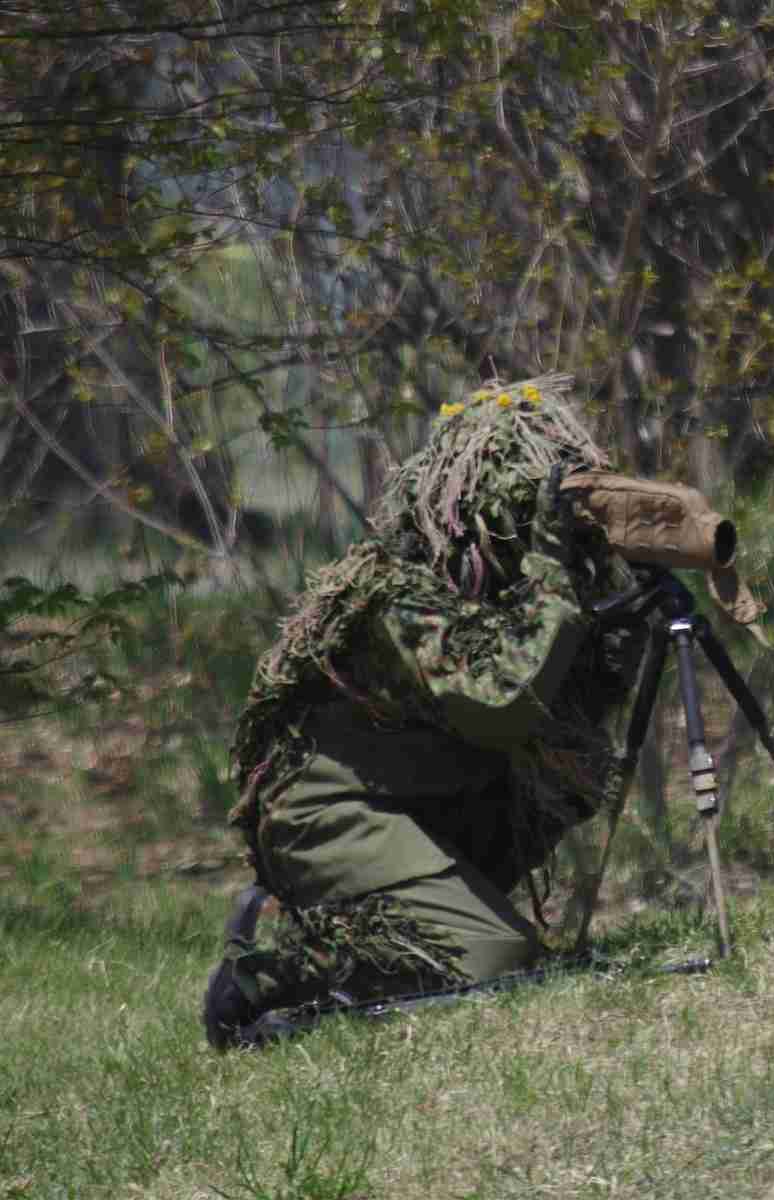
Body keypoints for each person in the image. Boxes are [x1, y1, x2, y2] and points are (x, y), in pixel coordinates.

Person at [203, 376, 647, 1049]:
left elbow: (554, 723)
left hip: (420, 799)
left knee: (560, 784)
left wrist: (615, 631)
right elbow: (499, 705)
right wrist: (551, 566)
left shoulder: (500, 591)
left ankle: (412, 922)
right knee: (495, 960)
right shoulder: (394, 597)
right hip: (329, 813)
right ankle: (274, 972)